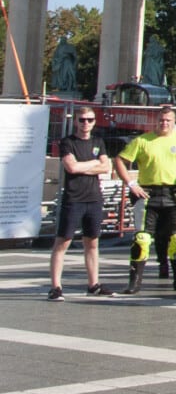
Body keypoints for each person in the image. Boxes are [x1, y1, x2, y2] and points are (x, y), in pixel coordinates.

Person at [115, 107, 176, 294]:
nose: (164, 123)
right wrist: (131, 184)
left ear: (174, 121)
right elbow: (120, 160)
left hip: (174, 193)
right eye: (161, 120)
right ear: (156, 120)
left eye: (168, 120)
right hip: (148, 193)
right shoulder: (142, 140)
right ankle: (134, 282)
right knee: (142, 239)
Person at [48, 106, 114, 300]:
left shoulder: (98, 141)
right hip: (74, 198)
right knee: (63, 241)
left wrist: (86, 166)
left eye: (90, 120)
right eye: (82, 120)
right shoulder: (67, 142)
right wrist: (93, 164)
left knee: (92, 242)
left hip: (93, 198)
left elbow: (106, 167)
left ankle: (93, 284)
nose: (86, 123)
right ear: (76, 121)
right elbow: (71, 167)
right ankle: (56, 287)